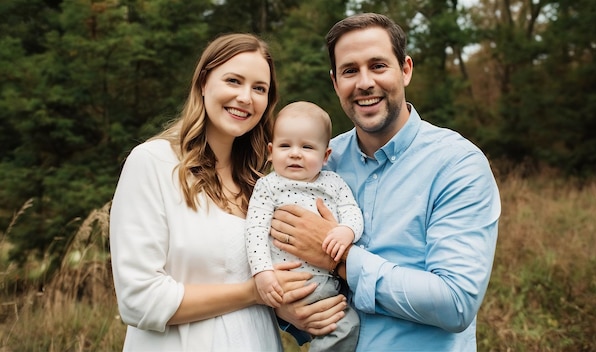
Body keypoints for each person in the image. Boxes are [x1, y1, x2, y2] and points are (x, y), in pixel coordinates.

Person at [271, 13, 501, 351]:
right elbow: (282, 258)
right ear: (335, 83)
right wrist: (287, 310)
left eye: (378, 66)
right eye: (350, 71)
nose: (364, 82)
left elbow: (456, 303)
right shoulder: (321, 162)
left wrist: (340, 259)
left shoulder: (457, 165)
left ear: (405, 69)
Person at [109, 33, 346, 352]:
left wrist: (289, 310)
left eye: (259, 88)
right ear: (204, 83)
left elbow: (266, 283)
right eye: (233, 81)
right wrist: (252, 293)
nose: (246, 97)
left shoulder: (261, 185)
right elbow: (139, 300)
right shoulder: (153, 163)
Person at [246, 101, 362, 351]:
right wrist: (262, 272)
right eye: (285, 145)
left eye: (307, 147)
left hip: (328, 282)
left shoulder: (333, 182)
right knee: (343, 325)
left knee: (344, 325)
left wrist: (347, 231)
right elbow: (255, 230)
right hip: (286, 280)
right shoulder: (268, 185)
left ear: (325, 155)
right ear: (270, 150)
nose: (295, 153)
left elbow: (352, 211)